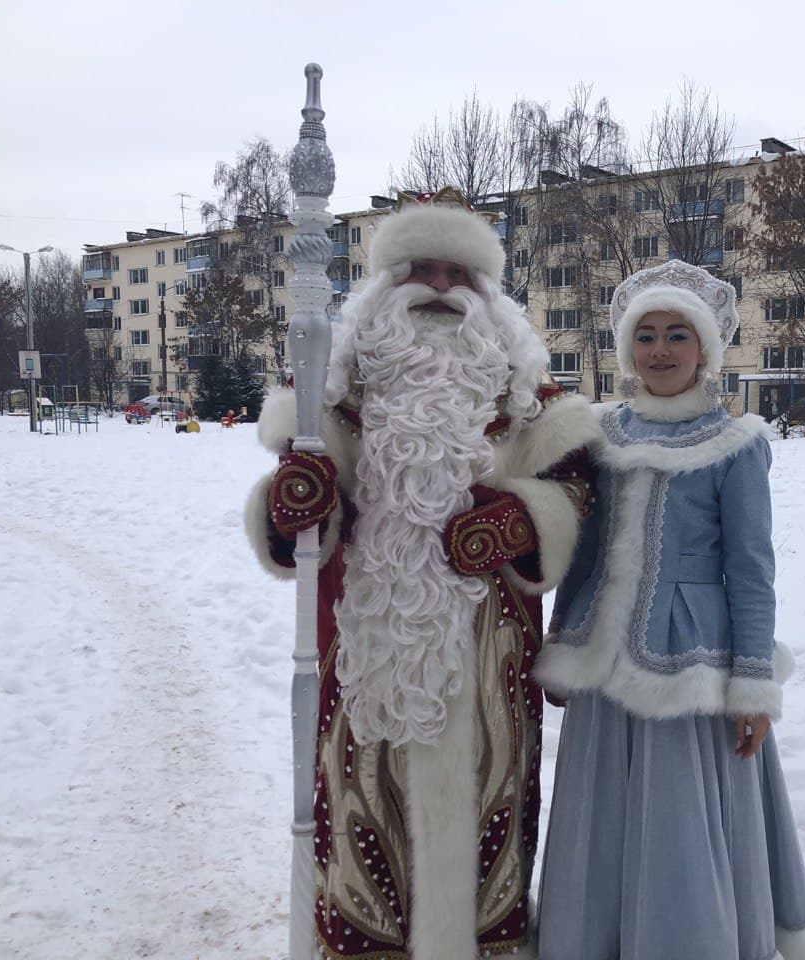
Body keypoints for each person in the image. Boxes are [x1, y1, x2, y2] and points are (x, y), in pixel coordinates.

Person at [245, 188, 598, 959]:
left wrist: (521, 521)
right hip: (368, 665)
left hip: (488, 668)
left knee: (491, 818)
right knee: (363, 818)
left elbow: (579, 491)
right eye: (420, 269)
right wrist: (293, 504)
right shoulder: (336, 398)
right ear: (382, 288)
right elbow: (301, 512)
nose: (438, 287)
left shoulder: (529, 400)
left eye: (459, 273)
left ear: (488, 296)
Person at [535, 260, 805, 960]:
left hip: (691, 670)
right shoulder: (601, 438)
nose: (661, 350)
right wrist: (560, 642)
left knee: (681, 819)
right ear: (626, 348)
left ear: (705, 350)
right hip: (605, 669)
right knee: (601, 815)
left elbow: (751, 570)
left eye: (677, 335)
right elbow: (583, 553)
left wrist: (752, 685)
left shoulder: (734, 443)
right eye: (646, 335)